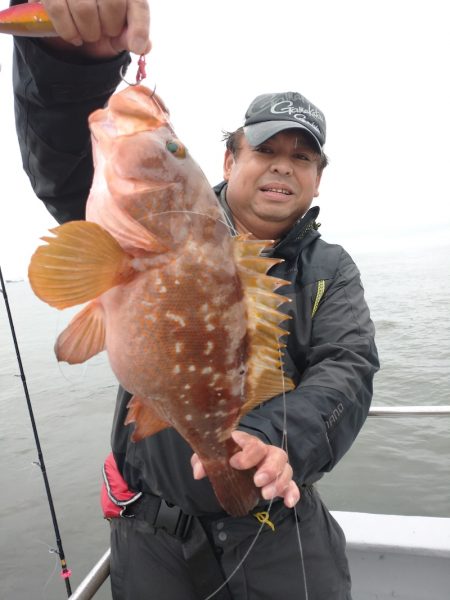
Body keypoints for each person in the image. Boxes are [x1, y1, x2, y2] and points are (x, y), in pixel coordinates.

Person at [12, 0, 379, 598]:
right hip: (153, 534)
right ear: (231, 157)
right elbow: (65, 164)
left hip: (278, 526)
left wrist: (274, 442)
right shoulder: (145, 216)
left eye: (302, 158)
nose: (282, 168)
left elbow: (348, 368)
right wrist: (65, 62)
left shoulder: (330, 270)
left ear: (317, 179)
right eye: (266, 150)